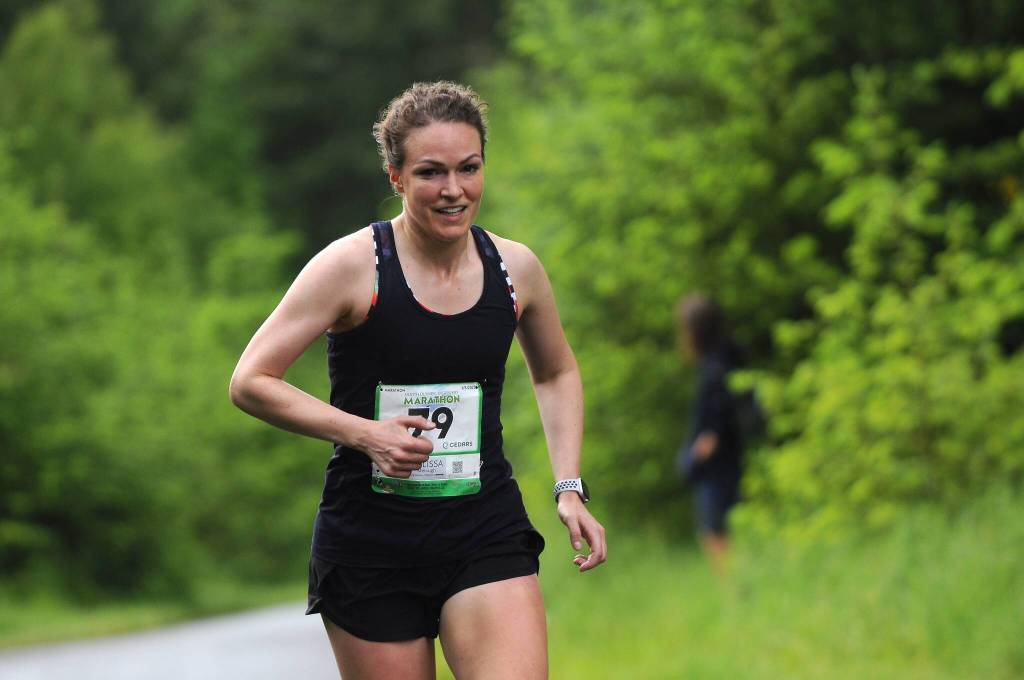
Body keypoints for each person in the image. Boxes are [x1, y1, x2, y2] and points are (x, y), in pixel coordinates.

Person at [229, 81, 606, 680]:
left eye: (469, 168)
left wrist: (568, 486)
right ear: (395, 177)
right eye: (431, 172)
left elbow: (556, 371)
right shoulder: (351, 267)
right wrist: (366, 435)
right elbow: (251, 380)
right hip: (369, 544)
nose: (454, 190)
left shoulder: (516, 270)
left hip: (484, 527)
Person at [676, 294, 744, 572]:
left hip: (716, 470)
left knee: (714, 534)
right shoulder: (733, 357)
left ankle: (735, 594)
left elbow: (712, 434)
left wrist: (689, 464)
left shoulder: (714, 369)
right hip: (734, 460)